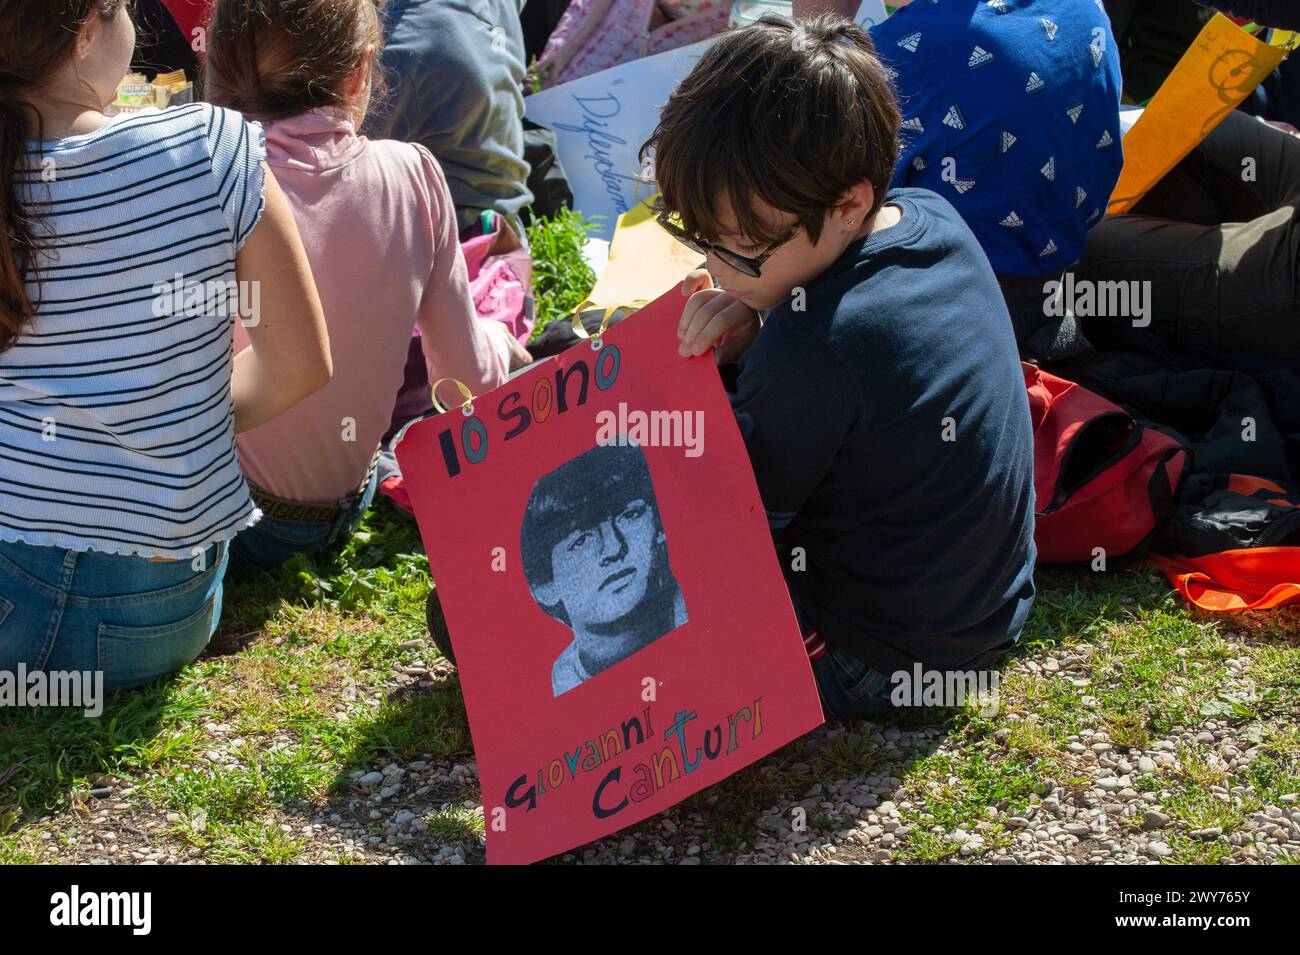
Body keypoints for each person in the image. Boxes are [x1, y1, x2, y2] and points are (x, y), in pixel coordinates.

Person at [643, 14, 1036, 719]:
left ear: (849, 204)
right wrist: (759, 314)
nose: (714, 267)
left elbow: (713, 540)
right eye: (699, 239)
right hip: (985, 621)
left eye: (743, 248)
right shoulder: (930, 216)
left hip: (879, 661)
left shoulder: (812, 347)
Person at [0, 1, 331, 690]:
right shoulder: (213, 147)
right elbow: (300, 367)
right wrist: (153, 418)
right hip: (158, 617)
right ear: (86, 29)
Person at [203, 0, 529, 570]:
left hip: (217, 515)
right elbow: (463, 384)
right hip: (334, 516)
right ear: (362, 69)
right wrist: (499, 340)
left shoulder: (199, 173)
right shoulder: (414, 174)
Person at [797, 0, 1124, 362]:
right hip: (1053, 307)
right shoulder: (1084, 9)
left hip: (934, 335)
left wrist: (811, 35)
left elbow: (805, 209)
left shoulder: (896, 53)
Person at [520, 442, 688, 697]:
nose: (613, 548)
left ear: (658, 528)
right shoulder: (562, 684)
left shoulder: (709, 613)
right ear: (545, 587)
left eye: (630, 515)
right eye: (581, 540)